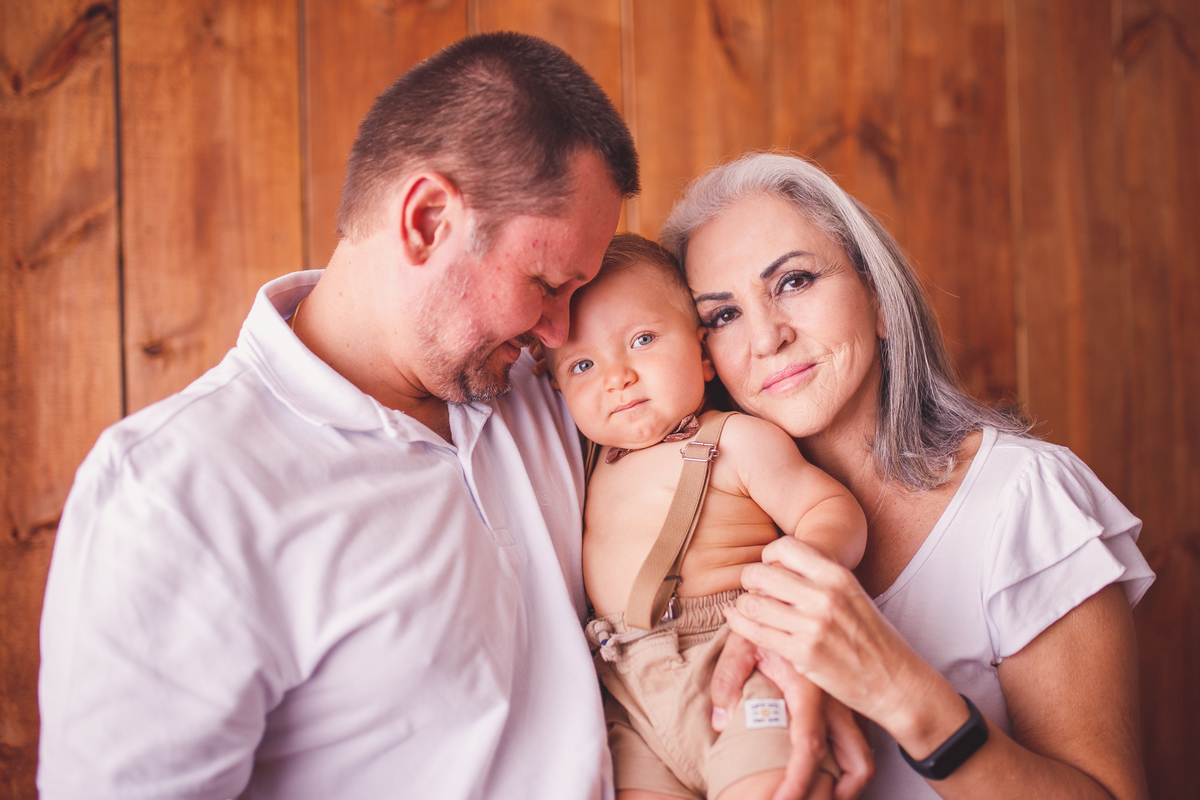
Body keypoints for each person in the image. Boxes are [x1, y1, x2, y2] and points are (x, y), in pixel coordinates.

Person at [37, 36, 867, 800]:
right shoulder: (172, 495)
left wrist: (796, 647)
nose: (560, 334)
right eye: (547, 286)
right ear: (428, 220)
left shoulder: (551, 392)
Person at [657, 152, 1156, 800]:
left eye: (793, 282)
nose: (766, 337)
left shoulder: (1024, 498)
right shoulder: (709, 544)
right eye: (723, 316)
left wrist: (898, 689)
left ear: (879, 300)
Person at [543, 234, 867, 800]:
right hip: (625, 688)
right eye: (583, 364)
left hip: (735, 655)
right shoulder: (585, 462)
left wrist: (790, 584)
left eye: (642, 339)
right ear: (557, 389)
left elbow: (830, 508)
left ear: (702, 353)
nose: (616, 377)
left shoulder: (736, 440)